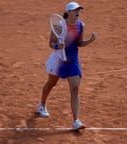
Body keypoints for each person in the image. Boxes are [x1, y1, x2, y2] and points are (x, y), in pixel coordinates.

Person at [38, 2, 97, 130]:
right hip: (59, 61)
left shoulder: (81, 25)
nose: (78, 13)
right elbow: (51, 43)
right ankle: (42, 104)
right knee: (51, 83)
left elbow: (79, 43)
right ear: (69, 12)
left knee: (75, 88)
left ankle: (76, 121)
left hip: (72, 61)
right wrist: (57, 46)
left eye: (79, 10)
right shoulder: (59, 26)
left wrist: (91, 40)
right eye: (75, 10)